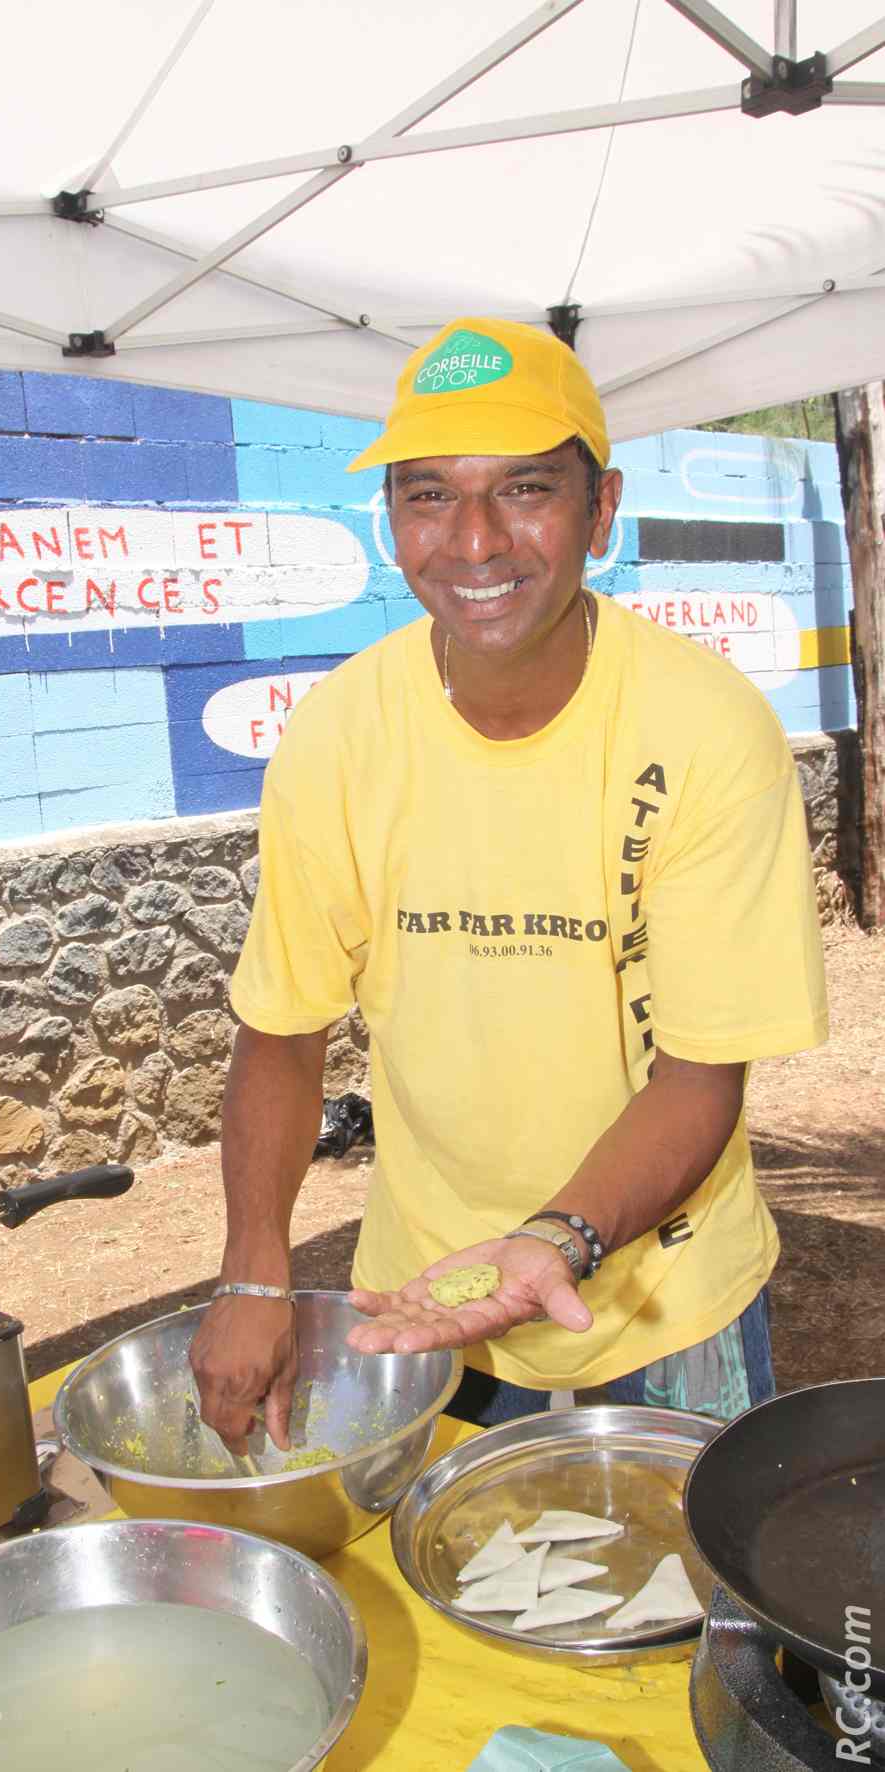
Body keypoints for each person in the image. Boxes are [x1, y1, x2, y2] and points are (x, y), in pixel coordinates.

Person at [190, 316, 828, 1451]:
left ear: (601, 508)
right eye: (428, 495)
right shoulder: (338, 734)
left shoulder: (705, 730)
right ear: (392, 519)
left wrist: (555, 1239)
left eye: (524, 489)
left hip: (665, 1285)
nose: (473, 541)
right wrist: (251, 1272)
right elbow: (282, 1029)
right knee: (458, 1554)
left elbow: (699, 1073)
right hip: (428, 1293)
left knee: (694, 1563)